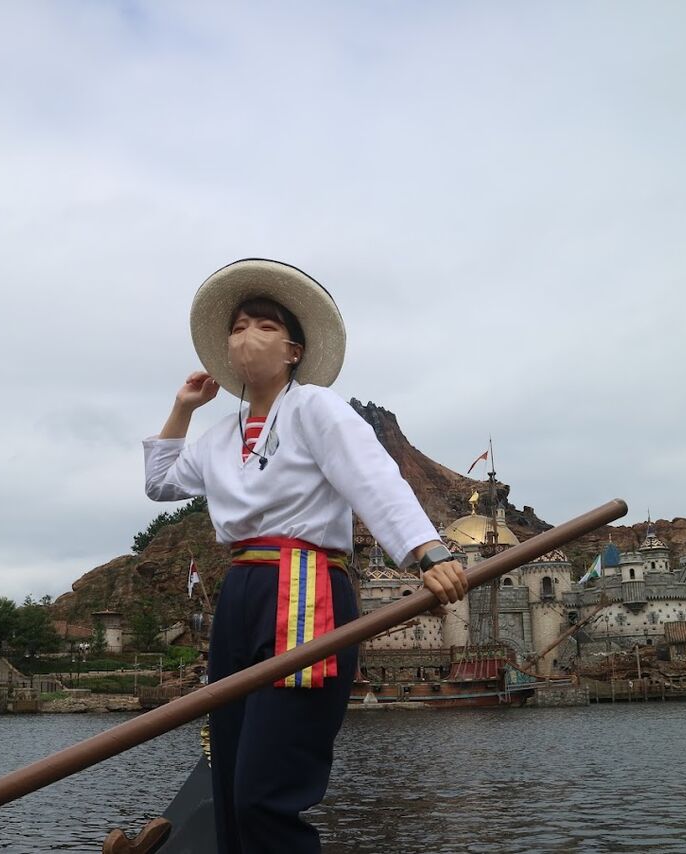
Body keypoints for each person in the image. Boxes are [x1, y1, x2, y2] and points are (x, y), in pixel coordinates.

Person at [143, 258, 469, 854]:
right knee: (228, 777)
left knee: (264, 792)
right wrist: (184, 408)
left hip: (302, 586)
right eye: (238, 326)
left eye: (264, 326)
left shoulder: (315, 407)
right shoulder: (219, 437)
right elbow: (160, 484)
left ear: (293, 350)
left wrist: (428, 553)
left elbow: (373, 478)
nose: (247, 335)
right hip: (240, 591)